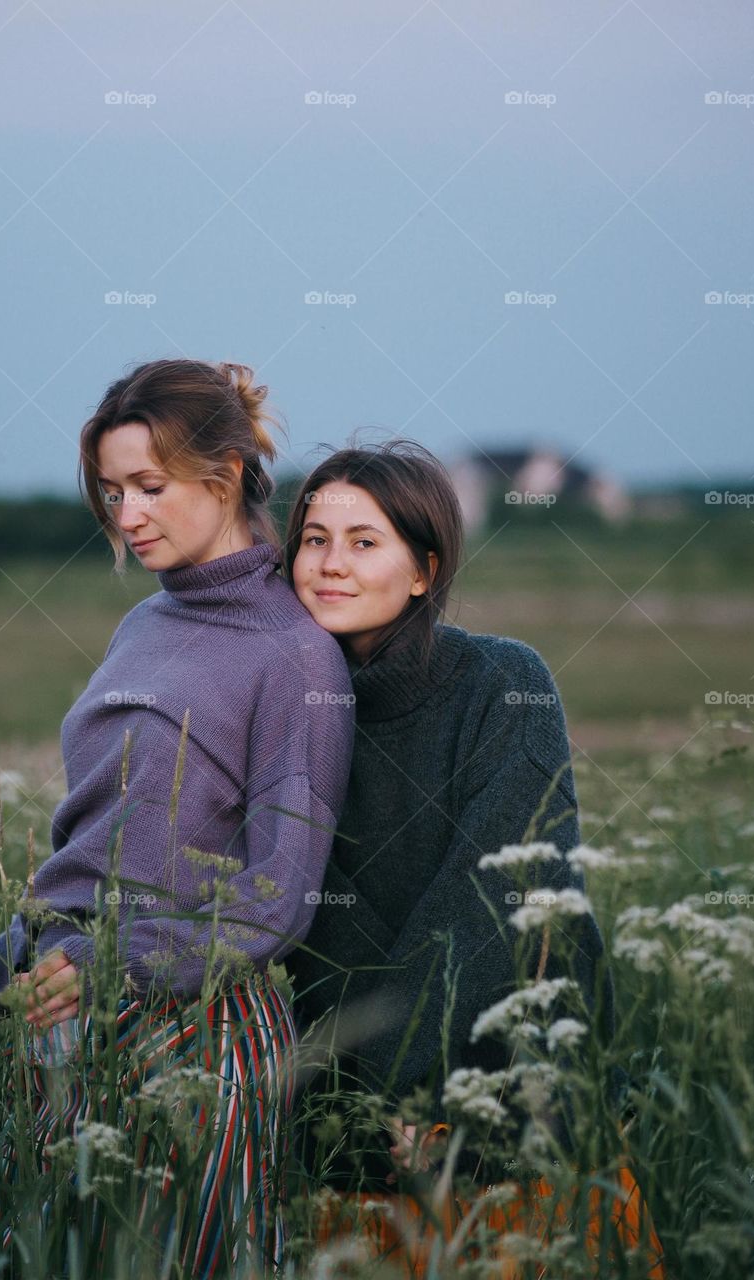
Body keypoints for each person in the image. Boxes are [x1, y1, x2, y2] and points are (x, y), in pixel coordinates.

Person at [0, 359, 355, 1278]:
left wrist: (113, 962)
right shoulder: (143, 626)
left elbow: (277, 902)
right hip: (67, 1023)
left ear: (222, 478)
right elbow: (88, 862)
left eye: (149, 487)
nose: (126, 514)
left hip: (197, 1039)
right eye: (111, 490)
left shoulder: (295, 657)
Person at [281, 439, 626, 1193]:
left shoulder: (503, 682)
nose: (330, 564)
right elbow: (309, 920)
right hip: (339, 1118)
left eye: (364, 543)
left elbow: (500, 896)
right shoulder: (283, 708)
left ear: (423, 572)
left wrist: (405, 1093)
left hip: (505, 1094)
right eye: (314, 540)